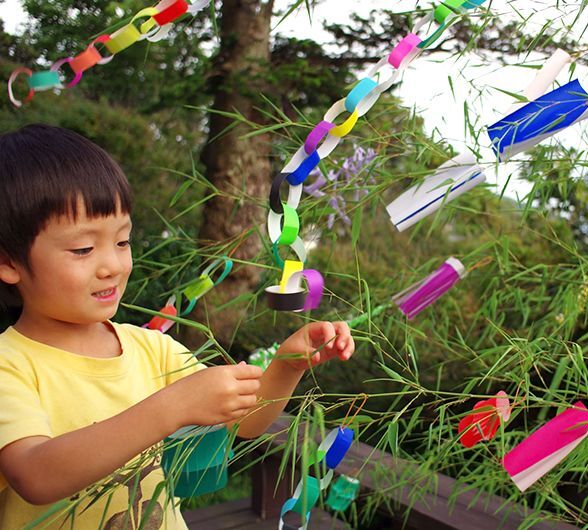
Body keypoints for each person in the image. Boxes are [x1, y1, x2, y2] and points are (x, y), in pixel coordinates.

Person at [0, 124, 355, 529]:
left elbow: (243, 423)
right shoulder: (9, 366)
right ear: (9, 262)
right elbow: (35, 475)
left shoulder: (153, 350)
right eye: (83, 249)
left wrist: (287, 365)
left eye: (122, 242)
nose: (113, 266)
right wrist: (170, 408)